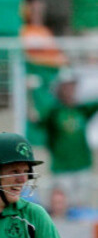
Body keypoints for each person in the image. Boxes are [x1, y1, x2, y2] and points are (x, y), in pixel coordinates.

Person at [36, 69, 98, 206]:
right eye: (67, 87)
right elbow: (39, 119)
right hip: (62, 167)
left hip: (83, 165)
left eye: (73, 87)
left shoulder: (81, 110)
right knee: (62, 206)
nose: (71, 90)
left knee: (81, 206)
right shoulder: (54, 112)